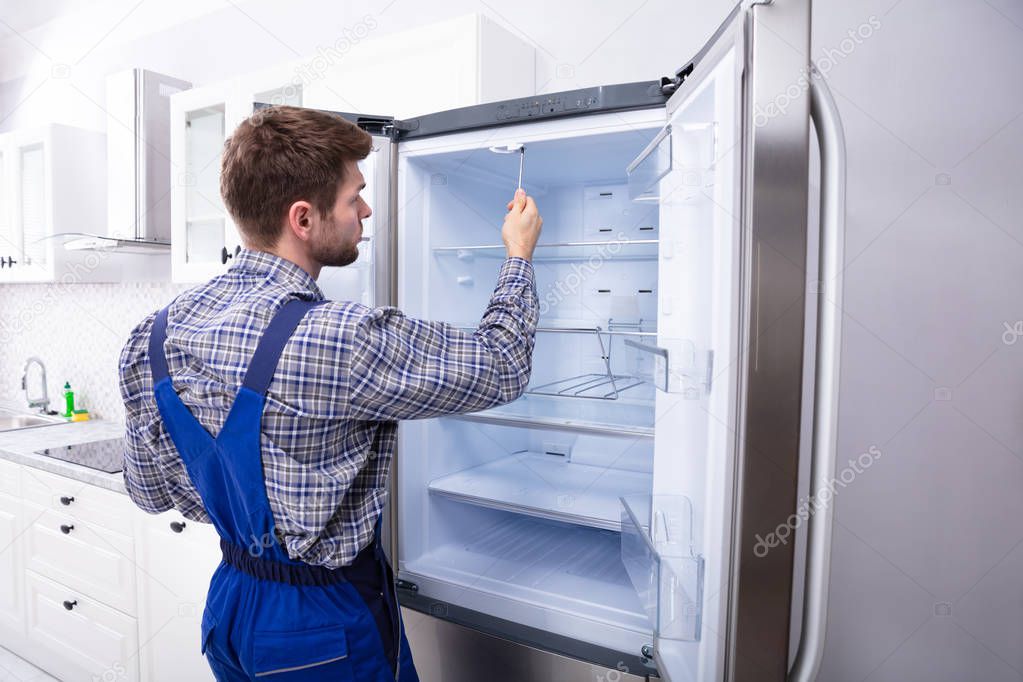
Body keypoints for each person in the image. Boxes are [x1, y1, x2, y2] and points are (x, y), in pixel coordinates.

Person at [118, 105, 543, 681]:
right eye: (354, 198)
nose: (366, 210)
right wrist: (519, 256)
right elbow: (502, 364)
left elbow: (149, 492)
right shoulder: (340, 339)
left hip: (232, 607)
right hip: (322, 629)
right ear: (303, 218)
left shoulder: (153, 336)